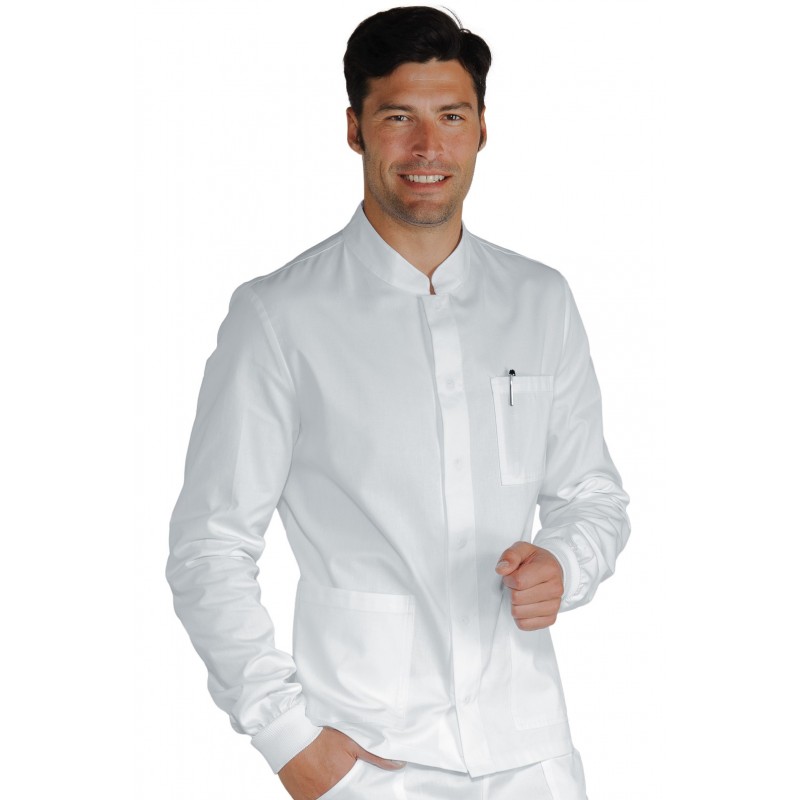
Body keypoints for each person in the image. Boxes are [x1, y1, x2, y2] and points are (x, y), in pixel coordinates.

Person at [165, 6, 631, 799]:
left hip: (530, 750)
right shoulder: (279, 317)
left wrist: (565, 562)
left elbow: (592, 494)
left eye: (451, 116)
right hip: (370, 759)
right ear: (355, 129)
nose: (427, 148)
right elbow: (210, 545)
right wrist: (285, 737)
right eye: (397, 118)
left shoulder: (540, 300)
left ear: (481, 128)